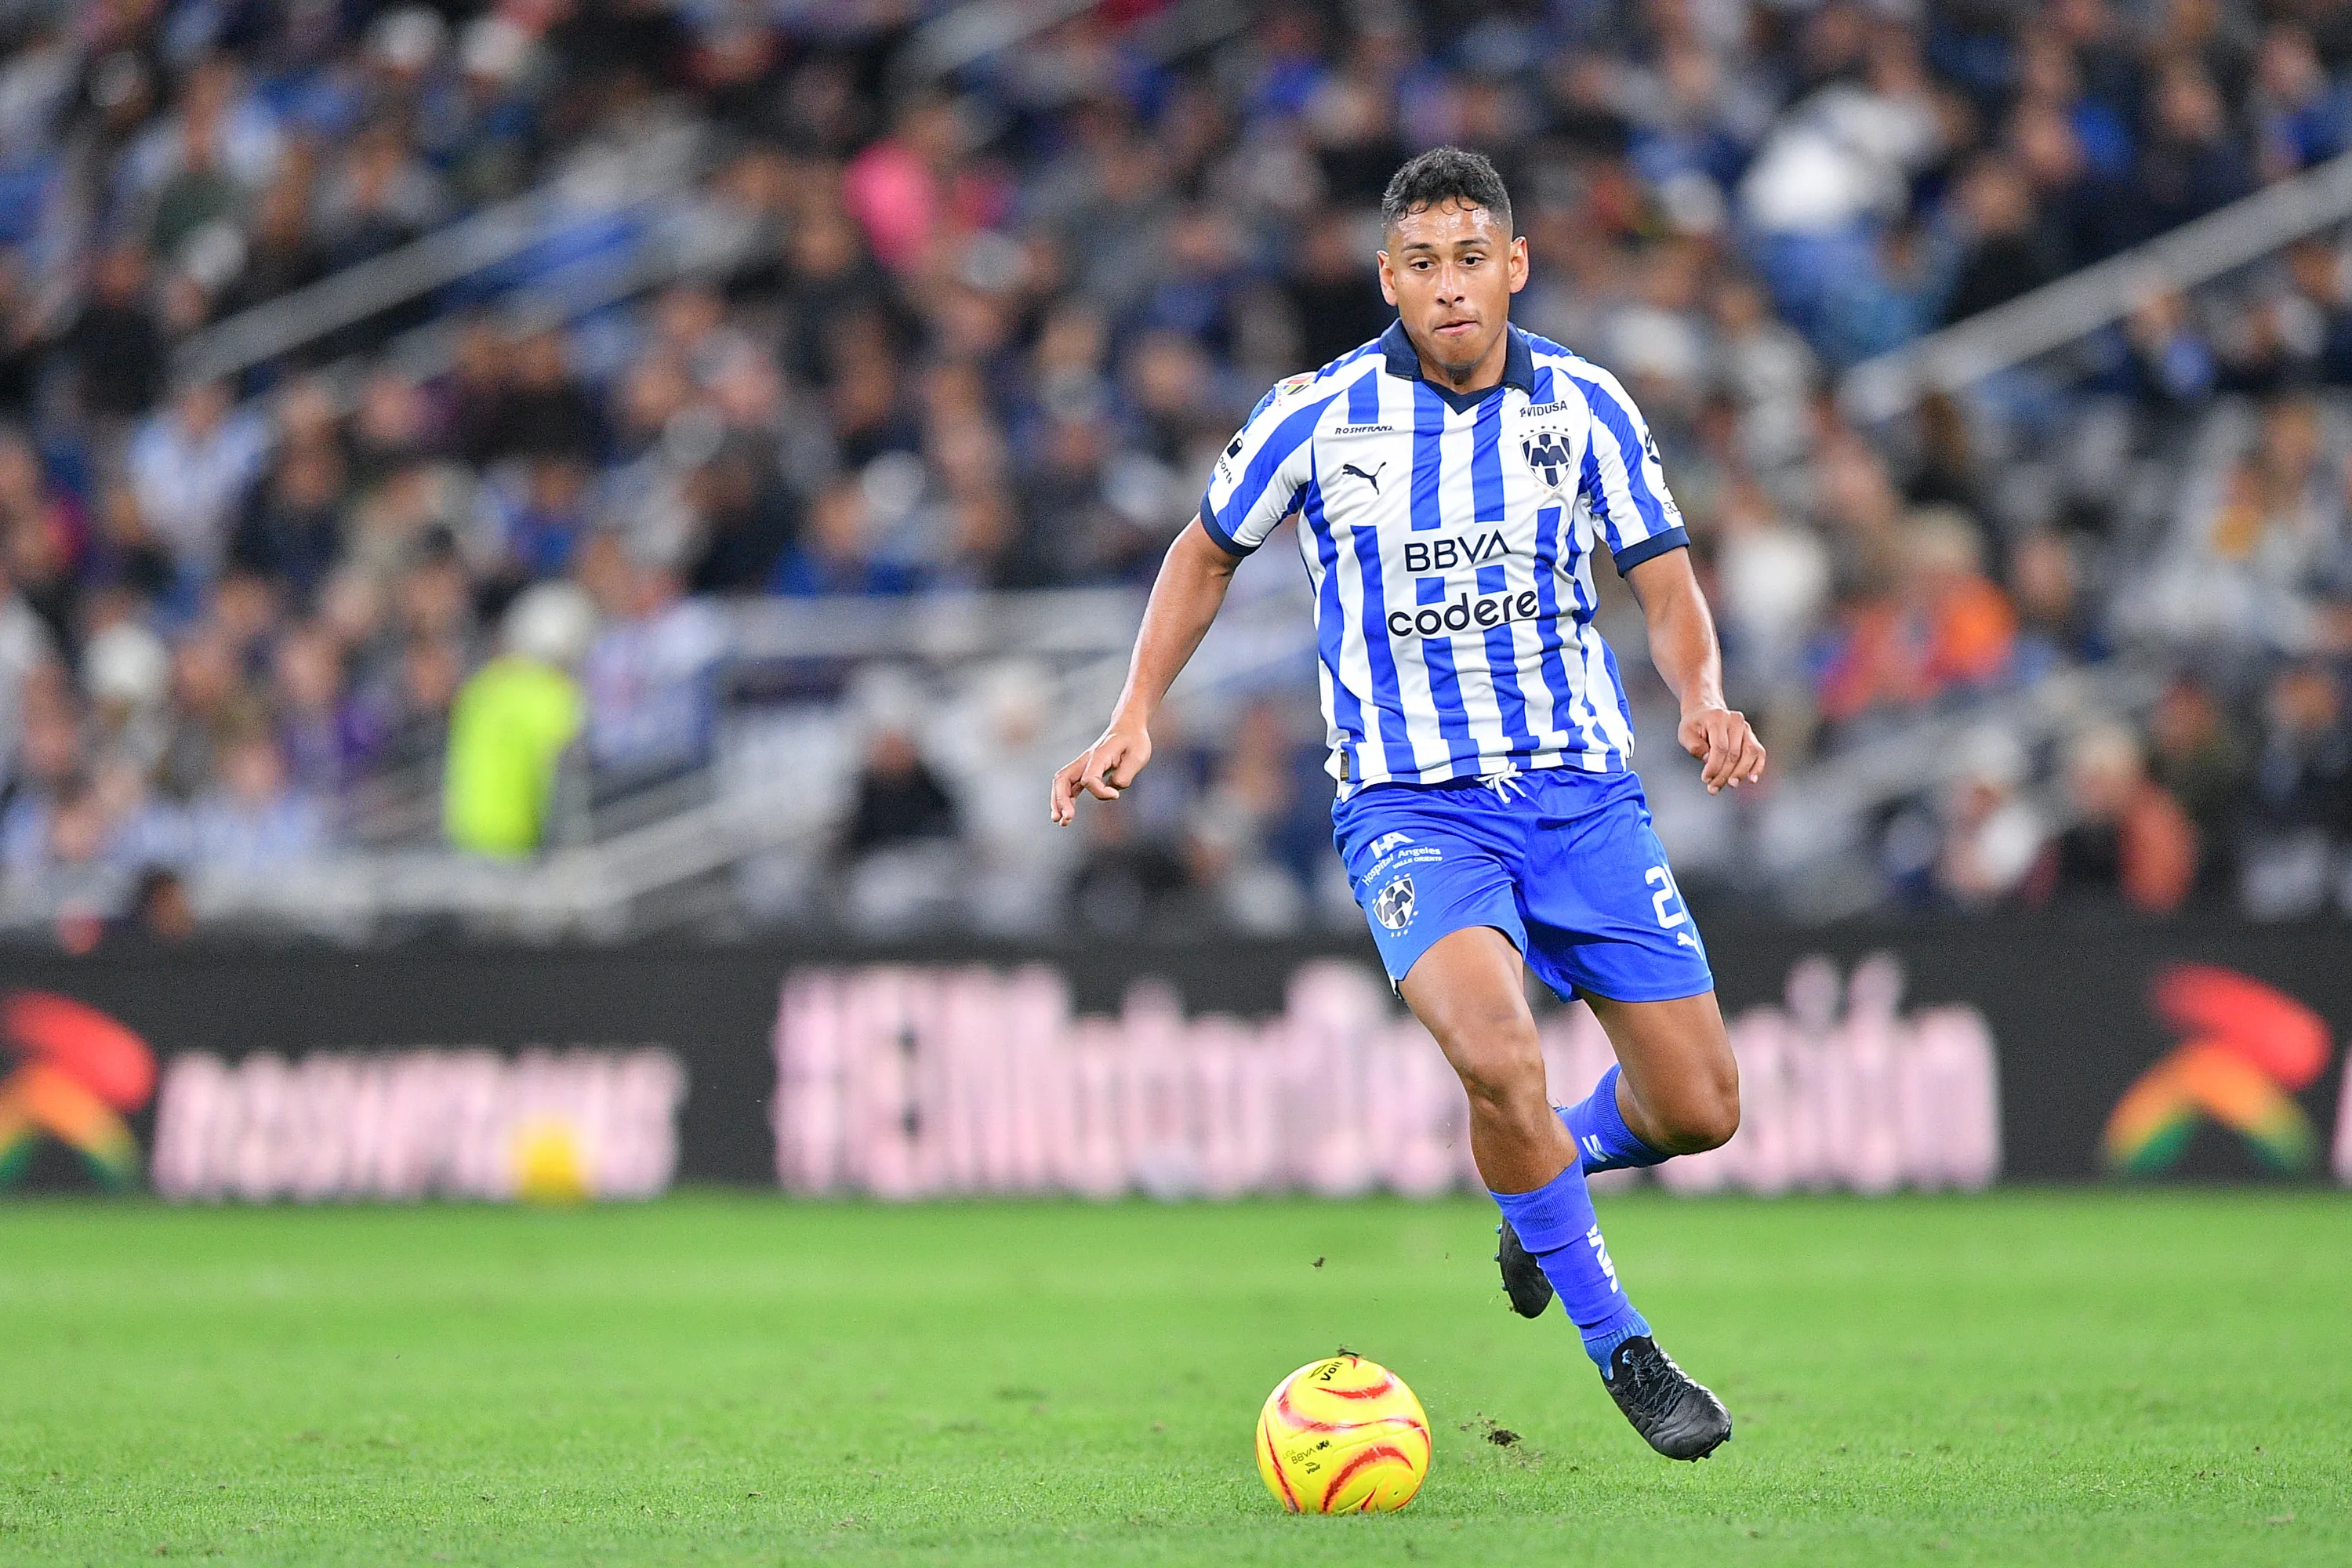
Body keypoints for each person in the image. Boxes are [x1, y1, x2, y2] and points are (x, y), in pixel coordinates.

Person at [1050, 148, 1760, 1461]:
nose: (1449, 288)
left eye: (1471, 259)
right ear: (1388, 277)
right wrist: (1134, 710)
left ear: (1515, 266)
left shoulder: (1588, 407)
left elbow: (1663, 579)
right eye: (1422, 265)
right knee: (1499, 1058)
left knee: (1701, 1109)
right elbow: (1203, 551)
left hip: (1582, 797)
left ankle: (1537, 1181)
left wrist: (1703, 695)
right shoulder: (1317, 415)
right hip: (1412, 812)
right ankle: (1625, 1347)